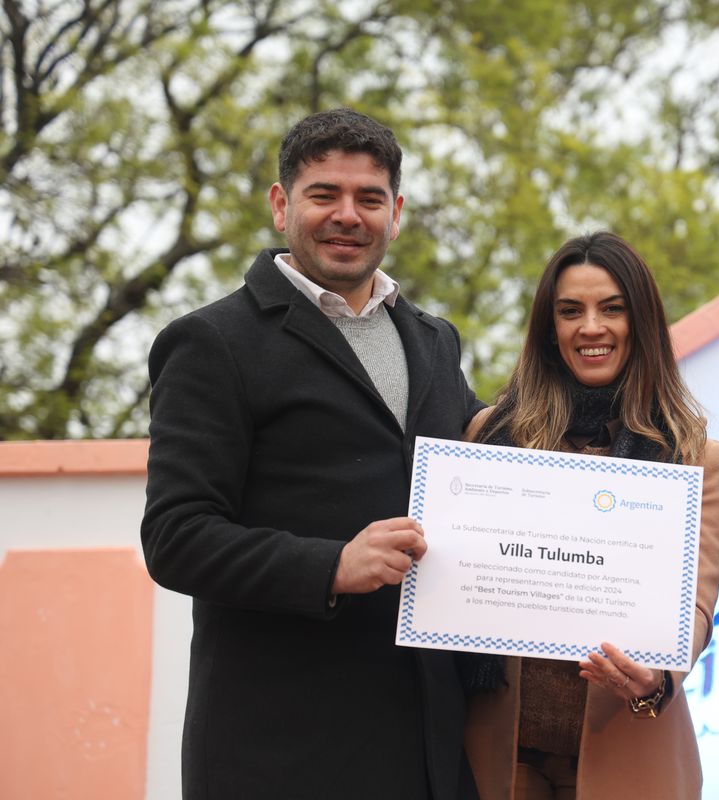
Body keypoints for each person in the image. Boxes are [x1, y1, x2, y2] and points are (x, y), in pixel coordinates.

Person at [141, 108, 484, 799]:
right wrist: (332, 565)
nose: (347, 215)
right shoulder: (212, 343)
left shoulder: (434, 341)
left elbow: (490, 470)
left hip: (427, 752)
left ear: (397, 212)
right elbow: (176, 537)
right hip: (281, 753)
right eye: (324, 194)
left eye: (369, 198)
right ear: (280, 204)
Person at [462, 231, 719, 800]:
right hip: (500, 757)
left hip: (629, 746)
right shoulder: (491, 439)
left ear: (643, 323)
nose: (591, 327)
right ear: (549, 329)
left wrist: (660, 675)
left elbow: (699, 603)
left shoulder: (691, 455)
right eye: (570, 311)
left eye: (612, 308)